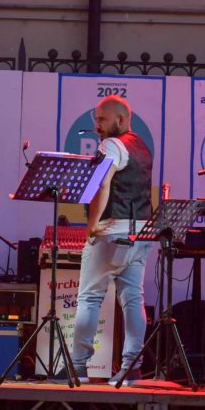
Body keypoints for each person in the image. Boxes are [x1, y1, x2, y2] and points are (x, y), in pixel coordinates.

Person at [64, 95, 152, 385]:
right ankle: (132, 368)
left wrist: (92, 226)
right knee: (133, 299)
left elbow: (102, 183)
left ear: (120, 119)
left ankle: (78, 367)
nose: (97, 126)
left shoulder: (111, 145)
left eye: (102, 120)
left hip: (112, 231)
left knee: (90, 298)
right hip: (140, 232)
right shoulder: (141, 146)